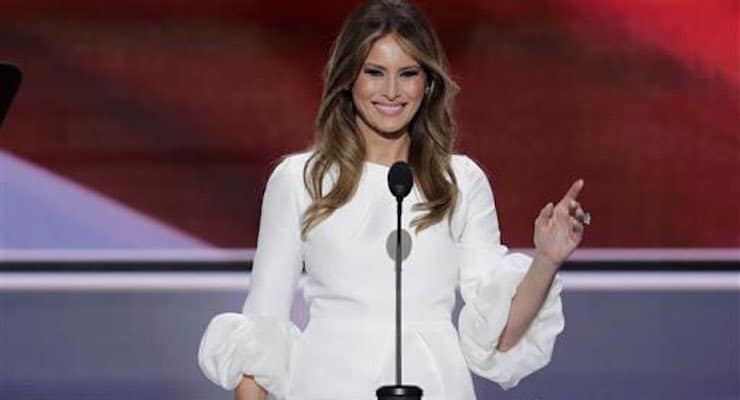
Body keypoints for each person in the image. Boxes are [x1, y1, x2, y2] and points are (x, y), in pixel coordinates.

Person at [197, 1, 591, 399]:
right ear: (349, 77)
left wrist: (546, 261)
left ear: (428, 83)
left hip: (435, 385)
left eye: (407, 74)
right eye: (375, 72)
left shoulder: (460, 182)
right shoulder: (300, 181)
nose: (391, 91)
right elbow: (263, 326)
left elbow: (498, 339)